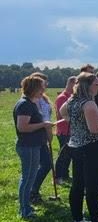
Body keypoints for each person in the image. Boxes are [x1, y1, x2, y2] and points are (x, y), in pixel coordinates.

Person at [60, 73, 98, 222]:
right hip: (94, 148)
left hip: (76, 146)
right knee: (93, 187)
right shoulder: (89, 104)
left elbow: (63, 113)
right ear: (88, 86)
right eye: (97, 84)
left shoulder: (72, 101)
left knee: (78, 185)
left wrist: (76, 122)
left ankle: (78, 221)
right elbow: (95, 129)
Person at [13, 75, 52, 219]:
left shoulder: (30, 103)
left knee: (29, 177)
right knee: (28, 178)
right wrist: (43, 124)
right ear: (34, 88)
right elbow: (22, 127)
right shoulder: (25, 105)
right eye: (41, 87)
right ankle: (25, 210)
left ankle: (26, 208)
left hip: (33, 145)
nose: (44, 89)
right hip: (28, 146)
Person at [29, 72, 54, 203]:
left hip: (44, 133)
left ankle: (33, 189)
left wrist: (49, 131)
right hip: (36, 135)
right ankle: (32, 191)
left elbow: (47, 115)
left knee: (46, 164)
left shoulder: (43, 98)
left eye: (45, 83)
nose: (45, 86)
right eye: (43, 83)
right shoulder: (33, 100)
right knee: (42, 165)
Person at [53, 76, 76, 184]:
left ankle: (65, 174)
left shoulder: (70, 96)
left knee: (68, 154)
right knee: (63, 155)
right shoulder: (62, 97)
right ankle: (57, 176)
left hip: (70, 130)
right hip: (64, 130)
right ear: (71, 83)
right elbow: (61, 114)